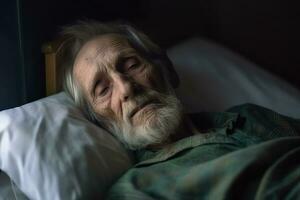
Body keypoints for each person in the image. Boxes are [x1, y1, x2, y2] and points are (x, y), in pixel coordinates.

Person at [60, 20, 300, 199]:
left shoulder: (248, 117)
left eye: (132, 65)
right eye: (103, 90)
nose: (125, 88)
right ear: (100, 122)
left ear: (166, 70)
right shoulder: (137, 190)